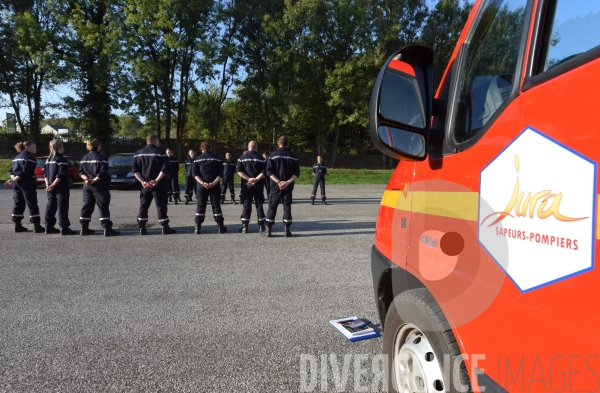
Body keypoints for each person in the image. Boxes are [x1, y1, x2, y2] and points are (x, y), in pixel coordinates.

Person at [132, 135, 176, 235]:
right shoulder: (161, 153)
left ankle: (142, 227)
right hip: (158, 185)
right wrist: (156, 180)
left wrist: (143, 181)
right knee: (161, 205)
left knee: (143, 205)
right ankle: (165, 227)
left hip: (145, 185)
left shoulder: (138, 153)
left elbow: (135, 170)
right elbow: (165, 169)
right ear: (156, 142)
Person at [79, 139, 120, 236]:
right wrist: (94, 180)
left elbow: (80, 172)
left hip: (87, 185)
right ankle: (107, 228)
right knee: (103, 205)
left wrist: (86, 179)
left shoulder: (84, 158)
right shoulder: (102, 157)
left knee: (87, 205)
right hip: (99, 184)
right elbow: (103, 172)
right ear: (97, 146)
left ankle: (84, 228)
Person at [263, 136, 300, 238]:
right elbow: (296, 173)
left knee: (272, 206)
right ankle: (287, 230)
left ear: (278, 144)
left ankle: (268, 230)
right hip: (288, 187)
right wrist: (287, 183)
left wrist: (279, 182)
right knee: (287, 207)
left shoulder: (273, 155)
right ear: (288, 144)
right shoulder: (294, 157)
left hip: (275, 186)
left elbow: (269, 171)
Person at [4, 141, 44, 233]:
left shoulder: (16, 158)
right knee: (32, 202)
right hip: (26, 182)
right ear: (27, 147)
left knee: (18, 202)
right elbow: (26, 170)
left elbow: (11, 171)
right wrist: (16, 178)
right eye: (34, 147)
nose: (36, 149)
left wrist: (13, 179)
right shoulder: (30, 158)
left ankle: (17, 225)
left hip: (16, 183)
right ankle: (37, 226)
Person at [193, 141, 227, 234]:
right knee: (216, 205)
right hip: (214, 185)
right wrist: (213, 183)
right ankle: (220, 227)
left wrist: (202, 183)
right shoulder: (217, 159)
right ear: (210, 148)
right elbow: (220, 174)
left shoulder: (197, 159)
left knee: (200, 205)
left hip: (201, 185)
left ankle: (197, 227)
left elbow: (194, 173)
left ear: (201, 149)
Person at [44, 140, 76, 235]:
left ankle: (48, 226)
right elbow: (61, 174)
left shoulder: (48, 160)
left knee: (50, 205)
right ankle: (64, 227)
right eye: (62, 146)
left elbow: (45, 174)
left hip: (50, 186)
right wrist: (54, 184)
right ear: (59, 148)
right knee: (62, 206)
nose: (63, 148)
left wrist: (48, 185)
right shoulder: (61, 159)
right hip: (60, 187)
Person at [236, 141, 267, 234]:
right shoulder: (262, 159)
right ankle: (262, 226)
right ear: (256, 148)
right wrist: (256, 179)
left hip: (246, 185)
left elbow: (239, 171)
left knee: (246, 204)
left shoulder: (241, 158)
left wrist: (249, 179)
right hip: (258, 185)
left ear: (248, 147)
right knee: (259, 204)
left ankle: (245, 227)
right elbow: (265, 171)